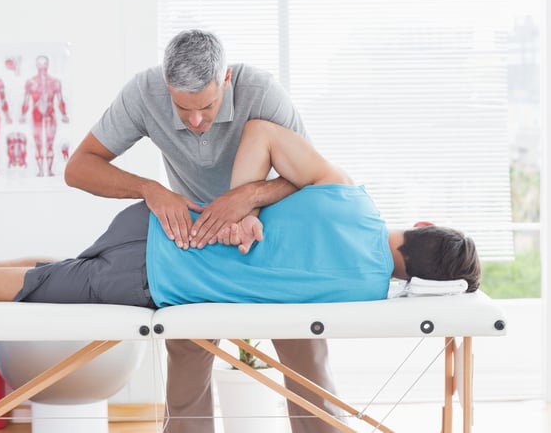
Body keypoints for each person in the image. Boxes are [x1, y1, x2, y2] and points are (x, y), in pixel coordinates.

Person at [0, 121, 481, 430]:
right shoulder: (365, 294)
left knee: (45, 271)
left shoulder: (352, 198)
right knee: (8, 287)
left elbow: (262, 133)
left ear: (423, 224)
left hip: (157, 230)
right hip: (147, 277)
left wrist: (240, 200)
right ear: (423, 280)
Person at [64, 28, 342, 433]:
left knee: (306, 363)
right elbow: (79, 167)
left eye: (207, 106)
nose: (195, 121)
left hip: (269, 237)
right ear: (166, 86)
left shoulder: (262, 92)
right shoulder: (144, 93)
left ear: (225, 79)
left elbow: (316, 178)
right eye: (182, 108)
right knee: (186, 370)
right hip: (197, 245)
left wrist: (248, 197)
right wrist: (150, 189)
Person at [20, 55, 70, 177]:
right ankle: (40, 170)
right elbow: (26, 101)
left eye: (44, 63)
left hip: (50, 115)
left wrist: (64, 114)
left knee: (49, 143)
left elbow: (60, 100)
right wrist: (22, 115)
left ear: (48, 65)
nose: (42, 66)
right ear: (36, 65)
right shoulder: (31, 82)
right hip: (36, 115)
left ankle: (49, 170)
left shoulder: (55, 82)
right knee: (38, 142)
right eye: (40, 64)